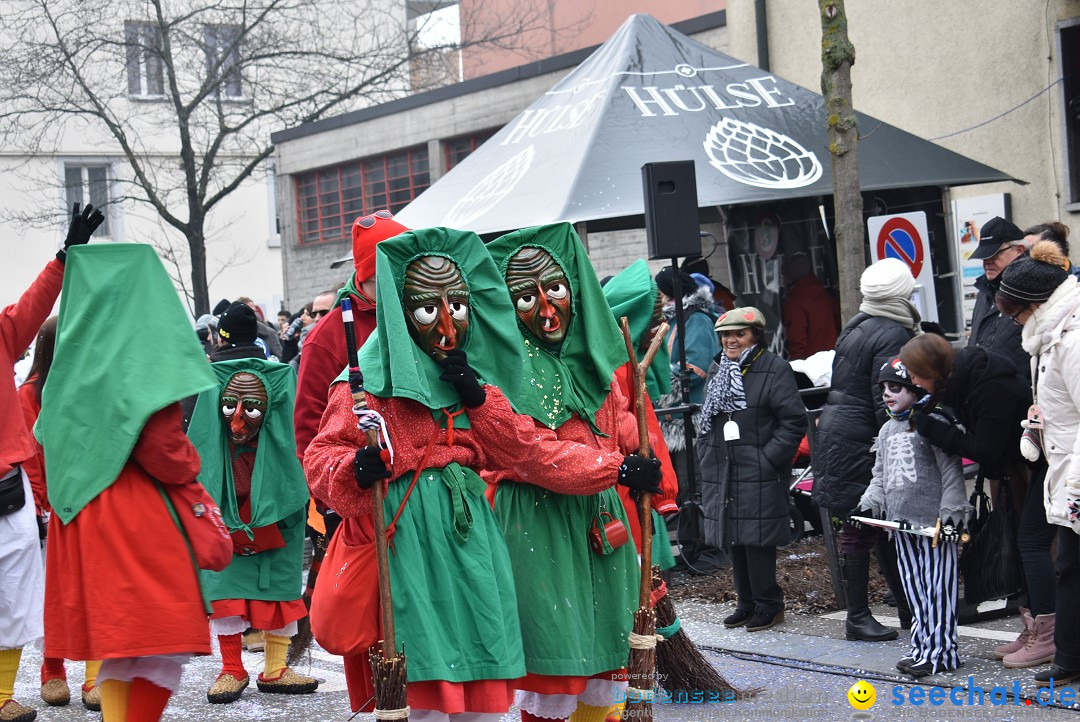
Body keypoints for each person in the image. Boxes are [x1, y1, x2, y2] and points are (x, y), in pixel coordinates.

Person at [304, 227, 661, 722]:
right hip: (409, 537)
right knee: (425, 670)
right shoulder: (369, 377)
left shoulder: (473, 370)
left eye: (458, 305)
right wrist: (354, 468)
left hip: (472, 537)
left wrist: (479, 398)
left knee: (484, 670)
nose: (447, 322)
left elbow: (512, 445)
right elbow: (322, 456)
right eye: (429, 308)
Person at [37, 243, 218, 722]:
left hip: (83, 511)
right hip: (135, 516)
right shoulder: (138, 358)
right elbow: (165, 451)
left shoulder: (72, 363)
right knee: (154, 645)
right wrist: (192, 465)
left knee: (123, 649)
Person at [486, 224, 649, 722]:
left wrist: (638, 455)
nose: (546, 308)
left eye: (553, 289)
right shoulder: (500, 371)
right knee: (555, 658)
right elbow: (529, 452)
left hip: (601, 520)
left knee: (606, 652)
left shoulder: (591, 358)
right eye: (525, 297)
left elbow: (615, 423)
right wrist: (618, 465)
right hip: (538, 521)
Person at [0, 204, 103, 722]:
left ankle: (1, 695)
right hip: (29, 490)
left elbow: (33, 306)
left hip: (10, 490)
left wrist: (66, 256)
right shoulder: (28, 390)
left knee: (17, 600)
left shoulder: (1, 334)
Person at [187, 358, 316, 703]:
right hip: (225, 529)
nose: (238, 418)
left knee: (278, 592)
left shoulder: (282, 447)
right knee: (226, 593)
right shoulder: (214, 447)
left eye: (253, 409)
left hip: (277, 531)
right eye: (230, 406)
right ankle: (232, 668)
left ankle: (275, 669)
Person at [812, 258, 920, 642]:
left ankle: (908, 609)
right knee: (866, 526)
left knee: (878, 526)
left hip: (842, 436)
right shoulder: (892, 333)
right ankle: (858, 616)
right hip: (863, 442)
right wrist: (900, 439)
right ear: (901, 293)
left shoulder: (856, 327)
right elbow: (885, 398)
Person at [993, 241, 1080, 686]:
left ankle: (1067, 657)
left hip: (1075, 474)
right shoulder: (1050, 335)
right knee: (1069, 564)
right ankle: (1068, 657)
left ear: (1036, 304)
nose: (1012, 321)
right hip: (1063, 465)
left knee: (1070, 563)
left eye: (1014, 311)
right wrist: (1036, 424)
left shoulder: (1071, 338)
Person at [853, 359, 971, 678]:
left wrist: (952, 516)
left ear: (915, 389)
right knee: (916, 590)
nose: (887, 395)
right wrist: (867, 505)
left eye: (896, 388)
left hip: (935, 525)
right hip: (900, 526)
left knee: (938, 591)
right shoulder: (887, 429)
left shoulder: (931, 422)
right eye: (884, 389)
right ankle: (922, 646)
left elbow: (951, 475)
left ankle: (942, 652)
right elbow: (881, 476)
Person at [697, 307, 806, 632]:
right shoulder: (721, 369)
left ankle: (770, 605)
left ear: (755, 336)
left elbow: (793, 419)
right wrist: (707, 454)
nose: (731, 340)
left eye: (738, 334)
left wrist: (768, 458)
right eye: (726, 335)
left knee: (758, 541)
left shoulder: (774, 368)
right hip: (725, 467)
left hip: (758, 468)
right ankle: (746, 603)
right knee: (736, 538)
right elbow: (709, 420)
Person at [17, 317, 103, 712]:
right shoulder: (28, 396)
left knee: (94, 590)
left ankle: (94, 675)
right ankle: (52, 670)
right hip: (50, 509)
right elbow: (29, 457)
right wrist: (41, 504)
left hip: (88, 503)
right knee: (52, 594)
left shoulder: (86, 390)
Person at [602, 259, 681, 560]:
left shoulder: (626, 360)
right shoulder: (616, 363)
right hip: (624, 477)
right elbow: (630, 425)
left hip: (636, 476)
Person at [967, 216, 1030, 378]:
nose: (987, 262)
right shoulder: (984, 288)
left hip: (1022, 394)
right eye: (984, 256)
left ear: (1020, 250)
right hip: (986, 391)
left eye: (994, 255)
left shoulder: (1033, 288)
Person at [781, 252, 840, 360]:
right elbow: (838, 321)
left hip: (811, 365)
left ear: (791, 275)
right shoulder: (824, 293)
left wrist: (796, 365)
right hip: (832, 356)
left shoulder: (796, 301)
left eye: (784, 273)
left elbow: (797, 339)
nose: (782, 278)